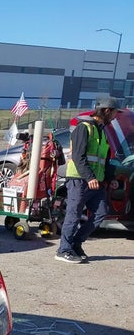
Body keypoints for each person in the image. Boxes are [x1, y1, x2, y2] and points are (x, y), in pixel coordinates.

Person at [55, 95, 121, 263]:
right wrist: (90, 177)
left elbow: (103, 159)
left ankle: (76, 243)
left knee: (101, 212)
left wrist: (109, 177)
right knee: (73, 215)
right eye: (114, 112)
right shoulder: (84, 128)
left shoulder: (102, 130)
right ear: (106, 110)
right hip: (79, 179)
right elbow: (78, 157)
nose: (115, 116)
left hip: (95, 181)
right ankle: (63, 250)